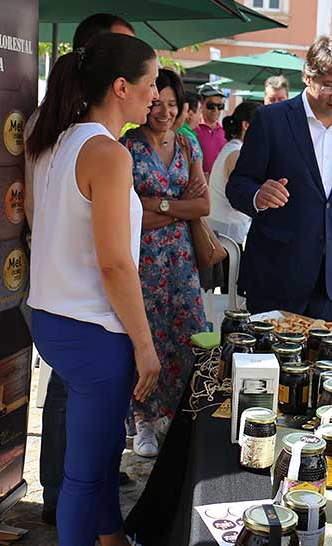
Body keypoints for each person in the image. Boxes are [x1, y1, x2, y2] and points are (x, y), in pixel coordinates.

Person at [26, 33, 161, 546]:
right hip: (91, 329)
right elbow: (115, 264)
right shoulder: (106, 153)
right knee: (84, 474)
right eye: (149, 85)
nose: (155, 96)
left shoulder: (62, 139)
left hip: (57, 319)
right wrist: (144, 344)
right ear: (121, 86)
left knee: (102, 455)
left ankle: (111, 537)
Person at [226, 35, 332, 322]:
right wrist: (257, 196)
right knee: (268, 365)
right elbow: (237, 185)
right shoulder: (269, 119)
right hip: (275, 272)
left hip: (330, 278)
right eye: (330, 86)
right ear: (307, 77)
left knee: (322, 365)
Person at [120, 69, 210, 457]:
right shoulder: (126, 146)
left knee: (188, 333)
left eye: (173, 105)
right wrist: (178, 207)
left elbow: (204, 205)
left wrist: (156, 204)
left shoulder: (189, 146)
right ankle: (144, 421)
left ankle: (179, 416)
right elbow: (129, 212)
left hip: (183, 260)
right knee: (148, 339)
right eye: (157, 103)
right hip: (142, 261)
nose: (164, 111)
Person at [208, 101, 260, 244]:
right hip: (226, 236)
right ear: (246, 125)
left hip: (224, 231)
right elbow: (239, 200)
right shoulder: (237, 153)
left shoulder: (234, 149)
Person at [196, 84, 227, 175]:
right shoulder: (193, 131)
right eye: (211, 106)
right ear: (201, 104)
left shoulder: (225, 132)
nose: (216, 110)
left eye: (220, 106)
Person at [176, 91, 204, 165]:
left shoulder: (177, 131)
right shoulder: (187, 136)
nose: (201, 116)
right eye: (200, 111)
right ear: (190, 114)